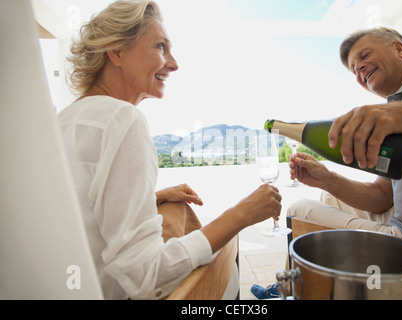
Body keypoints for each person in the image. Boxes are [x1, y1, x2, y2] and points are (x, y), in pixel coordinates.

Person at [59, 0, 282, 300]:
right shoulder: (123, 120)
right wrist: (241, 213)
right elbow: (144, 276)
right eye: (161, 47)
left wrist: (156, 196)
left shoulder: (64, 120)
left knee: (175, 208)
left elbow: (80, 214)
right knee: (225, 248)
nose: (174, 63)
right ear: (116, 51)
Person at [251, 27, 402, 299]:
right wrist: (327, 178)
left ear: (399, 49)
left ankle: (293, 287)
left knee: (299, 209)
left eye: (365, 55)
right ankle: (293, 282)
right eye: (353, 69)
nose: (359, 71)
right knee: (327, 195)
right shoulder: (394, 111)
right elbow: (382, 196)